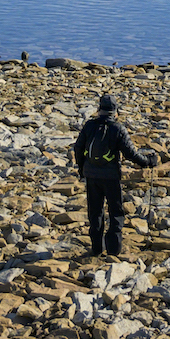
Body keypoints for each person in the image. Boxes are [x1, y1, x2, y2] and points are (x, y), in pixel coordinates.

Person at [69, 94, 155, 258]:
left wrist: (82, 170)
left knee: (95, 212)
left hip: (92, 176)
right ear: (115, 112)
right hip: (111, 178)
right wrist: (148, 162)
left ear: (99, 110)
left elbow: (78, 149)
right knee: (116, 212)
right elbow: (131, 154)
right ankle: (113, 250)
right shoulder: (118, 129)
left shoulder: (89, 126)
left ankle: (96, 249)